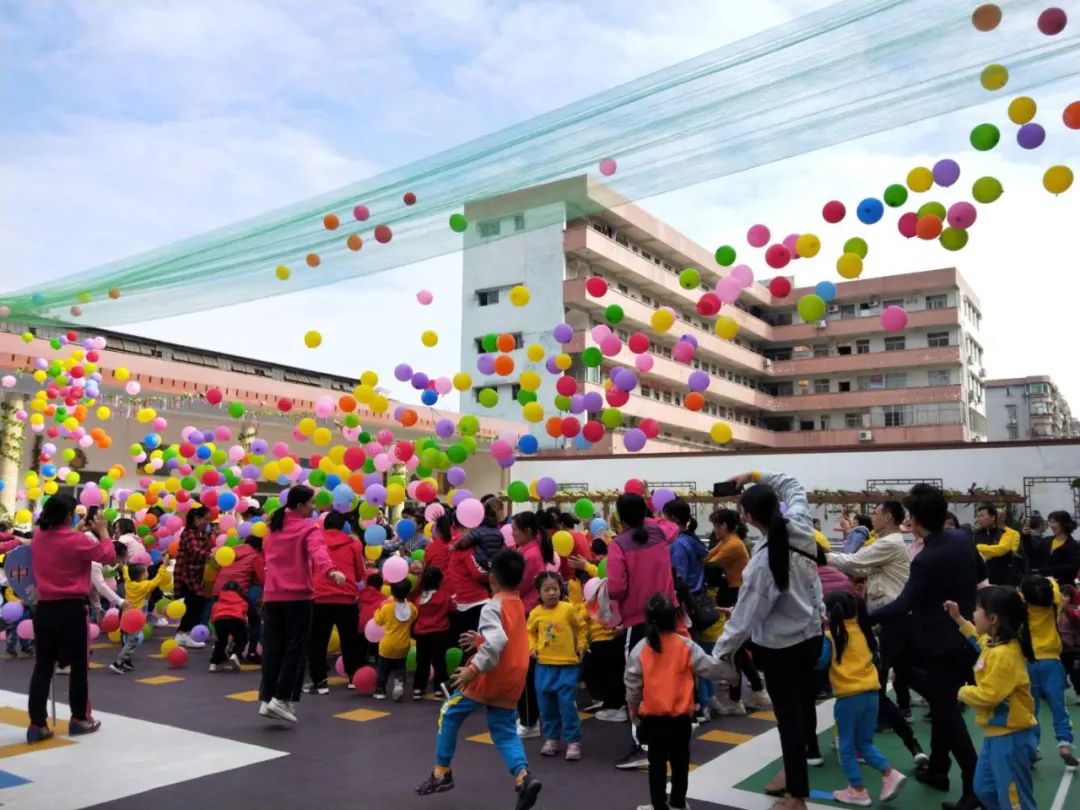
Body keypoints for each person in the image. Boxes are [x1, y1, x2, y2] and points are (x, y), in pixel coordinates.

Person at [710, 472, 824, 810]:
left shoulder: (762, 564)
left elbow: (744, 618)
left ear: (747, 517)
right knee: (802, 712)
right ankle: (792, 771)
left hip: (781, 650)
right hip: (811, 637)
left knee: (788, 720)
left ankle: (796, 797)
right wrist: (754, 476)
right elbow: (794, 484)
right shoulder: (800, 523)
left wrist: (718, 655)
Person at [871, 484, 982, 810]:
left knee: (947, 712)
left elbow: (904, 602)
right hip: (965, 635)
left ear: (915, 522)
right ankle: (937, 769)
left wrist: (865, 616)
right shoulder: (963, 539)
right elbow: (981, 574)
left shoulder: (926, 558)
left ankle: (973, 785)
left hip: (938, 645)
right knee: (941, 702)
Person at [416, 548, 542, 810]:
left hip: (489, 676)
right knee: (504, 731)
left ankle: (442, 772)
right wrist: (479, 640)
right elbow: (505, 638)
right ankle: (522, 777)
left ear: (492, 576)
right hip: (513, 677)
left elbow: (497, 641)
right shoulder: (515, 602)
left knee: (449, 713)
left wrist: (473, 669)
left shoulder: (492, 606)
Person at [27, 494, 116, 742]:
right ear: (68, 515)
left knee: (42, 666)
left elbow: (60, 541)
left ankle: (37, 725)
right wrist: (104, 531)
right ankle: (79, 718)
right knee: (79, 666)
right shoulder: (77, 541)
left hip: (44, 609)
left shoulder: (39, 537)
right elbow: (108, 556)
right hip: (72, 610)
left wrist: (77, 530)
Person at [625, 592, 724, 810]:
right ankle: (678, 803)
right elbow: (709, 667)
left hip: (653, 718)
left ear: (648, 620)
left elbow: (632, 681)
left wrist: (633, 707)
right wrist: (732, 673)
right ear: (674, 618)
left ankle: (658, 805)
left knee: (656, 765)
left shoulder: (642, 647)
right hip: (681, 718)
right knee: (680, 763)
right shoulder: (685, 645)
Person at [258, 486, 347, 724]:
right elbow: (318, 552)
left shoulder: (273, 527)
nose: (314, 507)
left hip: (273, 596)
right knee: (295, 651)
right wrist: (331, 571)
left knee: (273, 651)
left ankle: (267, 700)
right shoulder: (309, 527)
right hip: (298, 597)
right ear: (299, 506)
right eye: (311, 503)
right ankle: (282, 698)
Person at [944, 589, 1037, 810]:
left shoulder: (1005, 654)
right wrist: (958, 618)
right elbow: (979, 639)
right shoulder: (994, 644)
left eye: (977, 609)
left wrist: (963, 691)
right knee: (984, 789)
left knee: (1015, 800)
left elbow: (989, 696)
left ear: (993, 618)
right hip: (995, 734)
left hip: (1010, 738)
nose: (973, 613)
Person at [607, 492, 678, 770]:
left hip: (638, 619)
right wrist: (647, 518)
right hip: (668, 613)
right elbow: (672, 526)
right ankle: (667, 737)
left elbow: (616, 587)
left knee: (636, 680)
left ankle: (643, 744)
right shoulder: (660, 533)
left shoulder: (618, 545)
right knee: (663, 675)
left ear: (620, 517)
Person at [818, 591, 907, 806]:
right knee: (865, 742)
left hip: (849, 698)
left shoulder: (831, 637)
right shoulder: (862, 631)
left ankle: (857, 790)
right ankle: (889, 774)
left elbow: (820, 663)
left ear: (828, 613)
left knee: (846, 746)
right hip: (872, 693)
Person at [1019, 574, 1077, 764]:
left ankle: (1033, 747)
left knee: (1030, 709)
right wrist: (1050, 579)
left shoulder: (1021, 607)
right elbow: (1053, 587)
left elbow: (1017, 594)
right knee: (1058, 707)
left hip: (1028, 662)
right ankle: (1064, 743)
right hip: (1052, 662)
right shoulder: (1054, 604)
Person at [306, 511, 365, 695]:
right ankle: (353, 677)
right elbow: (359, 573)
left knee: (317, 641)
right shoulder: (354, 543)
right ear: (344, 526)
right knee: (350, 640)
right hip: (347, 597)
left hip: (320, 597)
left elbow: (309, 568)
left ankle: (320, 682)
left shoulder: (316, 542)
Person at [528, 571, 585, 761]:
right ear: (539, 592)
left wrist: (581, 645)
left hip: (567, 664)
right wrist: (532, 647)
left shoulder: (568, 609)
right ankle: (551, 738)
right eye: (547, 589)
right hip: (544, 665)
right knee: (546, 704)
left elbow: (581, 627)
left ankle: (573, 740)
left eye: (555, 588)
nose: (552, 593)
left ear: (561, 589)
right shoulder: (536, 613)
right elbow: (530, 634)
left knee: (567, 704)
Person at [512, 510, 554, 738]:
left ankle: (529, 721)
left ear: (528, 531)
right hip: (527, 612)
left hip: (526, 613)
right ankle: (530, 717)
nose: (512, 534)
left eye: (516, 531)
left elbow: (521, 586)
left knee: (525, 668)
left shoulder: (530, 556)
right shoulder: (528, 550)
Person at [109, 557, 172, 674]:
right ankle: (118, 663)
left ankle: (126, 662)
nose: (147, 573)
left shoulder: (128, 584)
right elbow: (158, 579)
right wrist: (164, 566)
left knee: (127, 639)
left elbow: (126, 575)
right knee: (132, 641)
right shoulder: (145, 585)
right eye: (146, 571)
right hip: (134, 618)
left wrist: (125, 567)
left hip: (125, 615)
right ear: (142, 576)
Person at [174, 506, 213, 649]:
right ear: (196, 519)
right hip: (187, 574)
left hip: (197, 574)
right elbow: (195, 550)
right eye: (205, 519)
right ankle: (185, 634)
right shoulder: (189, 533)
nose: (207, 523)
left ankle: (183, 634)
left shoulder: (201, 533)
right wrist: (210, 555)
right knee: (194, 604)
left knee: (194, 605)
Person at [374, 578, 418, 700]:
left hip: (387, 645)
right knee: (400, 668)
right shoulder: (412, 608)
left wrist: (378, 610)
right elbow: (414, 617)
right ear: (408, 592)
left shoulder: (387, 608)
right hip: (403, 645)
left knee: (383, 669)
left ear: (392, 592)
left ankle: (380, 690)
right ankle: (398, 685)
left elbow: (378, 621)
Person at [413, 565, 452, 700]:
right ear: (440, 581)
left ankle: (418, 688)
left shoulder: (420, 598)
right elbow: (452, 608)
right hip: (439, 632)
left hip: (422, 633)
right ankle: (439, 689)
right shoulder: (445, 596)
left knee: (422, 661)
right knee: (439, 661)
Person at [974, 505, 1024, 586]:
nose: (979, 519)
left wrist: (979, 548)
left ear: (993, 517)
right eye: (978, 516)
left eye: (982, 516)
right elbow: (973, 553)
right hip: (983, 580)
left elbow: (1002, 549)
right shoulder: (974, 535)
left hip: (1005, 578)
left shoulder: (1006, 533)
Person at [665, 499, 705, 597]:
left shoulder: (678, 544)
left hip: (687, 598)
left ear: (674, 519)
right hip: (698, 592)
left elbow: (680, 578)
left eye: (665, 517)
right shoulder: (691, 538)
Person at [1028, 511, 1080, 583]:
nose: (1051, 525)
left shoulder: (1073, 545)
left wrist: (1049, 570)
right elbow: (1033, 556)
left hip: (1064, 586)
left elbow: (1073, 567)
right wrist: (1026, 537)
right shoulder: (1046, 540)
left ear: (1064, 524)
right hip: (1045, 584)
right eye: (1050, 522)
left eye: (1054, 522)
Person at [209, 580, 248, 672]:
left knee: (221, 642)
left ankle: (213, 664)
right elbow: (244, 613)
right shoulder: (242, 601)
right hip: (236, 620)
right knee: (241, 639)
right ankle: (235, 654)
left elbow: (212, 616)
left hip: (220, 621)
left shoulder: (218, 601)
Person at [357, 570, 386, 666]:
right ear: (381, 586)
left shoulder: (359, 596)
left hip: (360, 628)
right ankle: (378, 664)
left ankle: (360, 664)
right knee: (378, 647)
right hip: (376, 630)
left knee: (361, 648)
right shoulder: (383, 599)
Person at [1059, 584, 1080, 701]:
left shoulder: (1076, 609)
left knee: (1075, 673)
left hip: (1074, 648)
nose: (1062, 597)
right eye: (1061, 594)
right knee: (1059, 671)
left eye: (1066, 595)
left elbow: (1076, 618)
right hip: (1060, 646)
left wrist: (1065, 608)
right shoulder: (1057, 609)